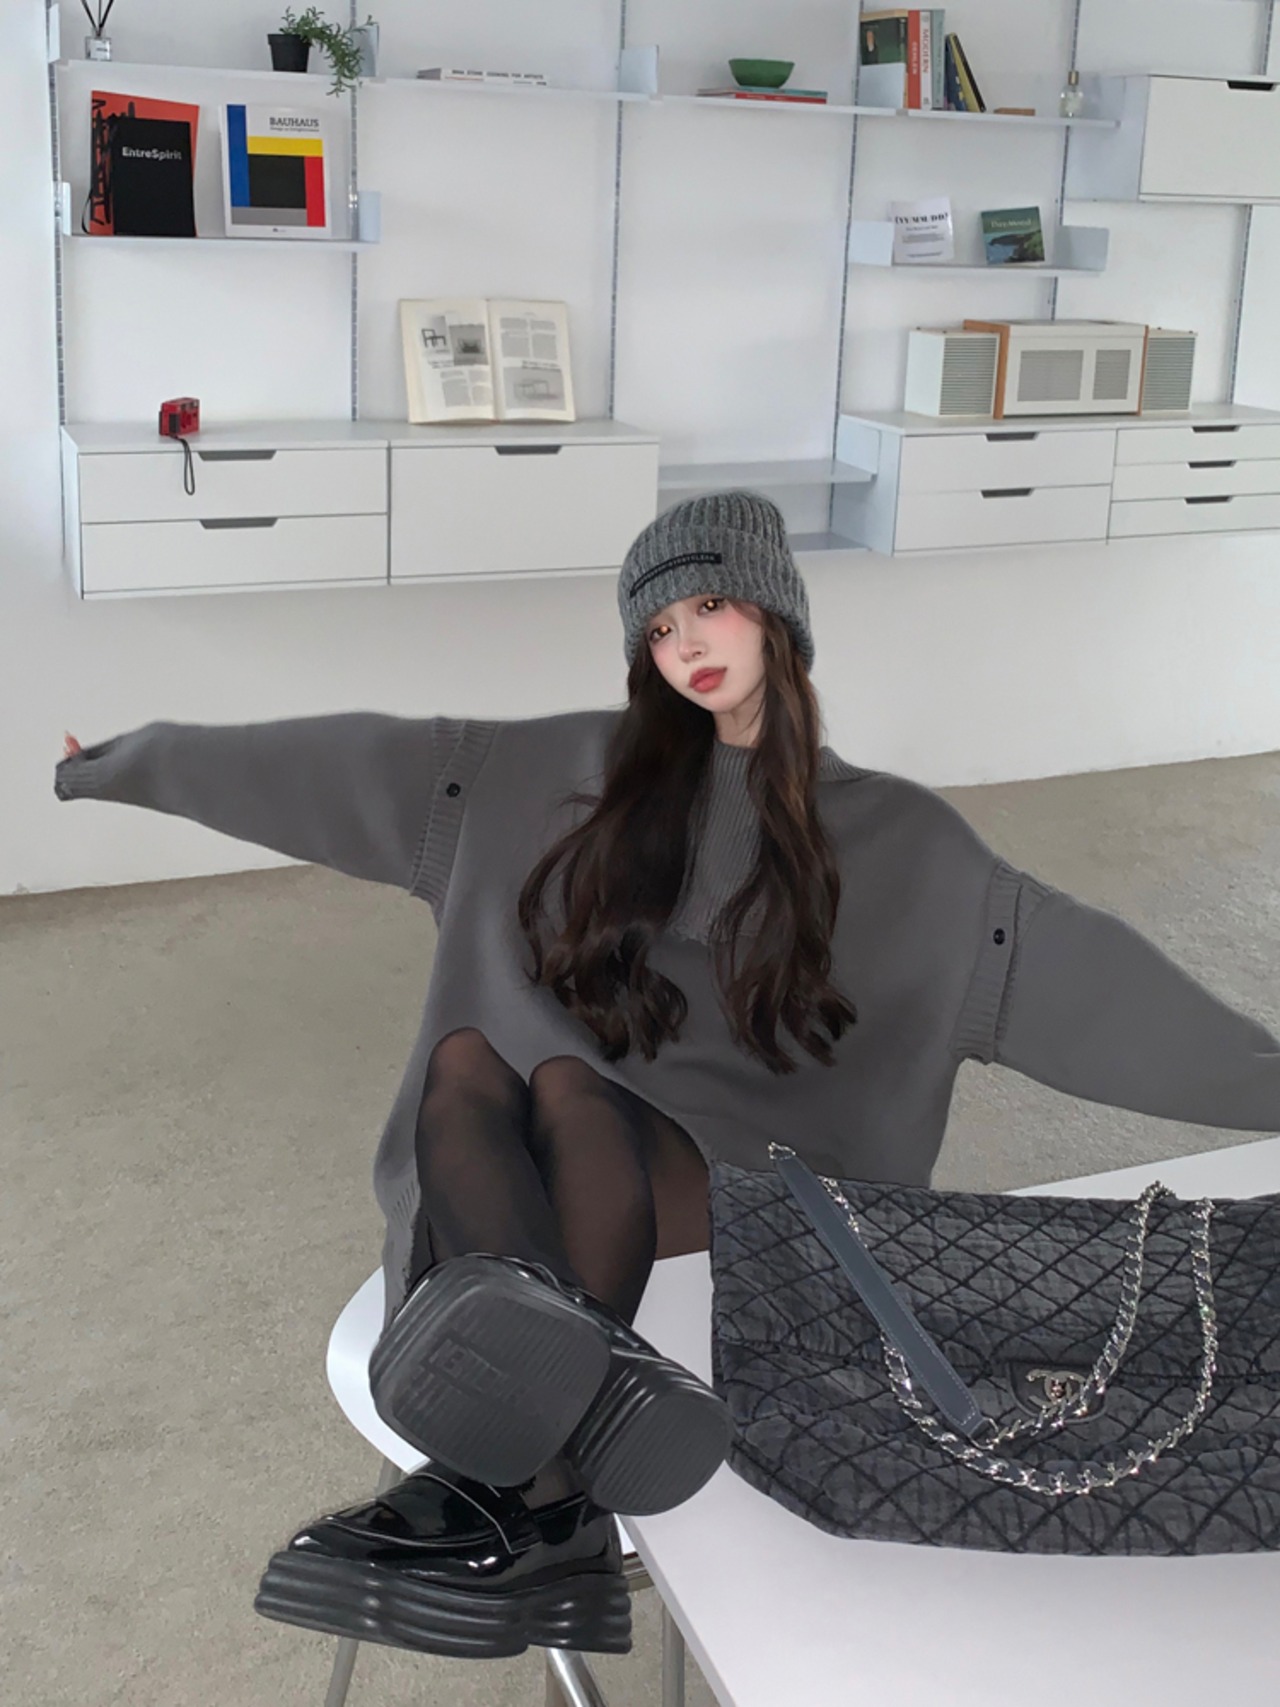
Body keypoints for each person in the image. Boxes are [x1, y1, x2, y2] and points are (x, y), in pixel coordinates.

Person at [55, 490, 1280, 1662]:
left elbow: (1102, 998)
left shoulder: (906, 845)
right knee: (470, 1063)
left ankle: (507, 1491)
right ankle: (566, 1480)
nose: (684, 643)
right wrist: (127, 763)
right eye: (657, 627)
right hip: (545, 1197)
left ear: (774, 615)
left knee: (567, 1088)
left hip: (750, 1213)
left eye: (708, 607)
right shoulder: (552, 778)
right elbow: (330, 767)